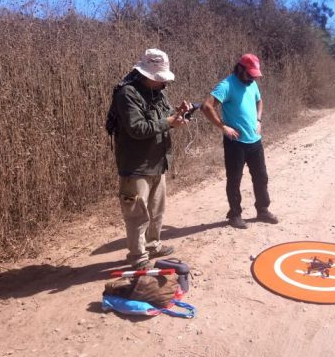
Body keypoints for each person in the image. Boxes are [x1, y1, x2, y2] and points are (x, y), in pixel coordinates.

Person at [109, 48, 189, 269]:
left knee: (156, 210)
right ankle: (137, 257)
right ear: (146, 75)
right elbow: (137, 128)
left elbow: (164, 117)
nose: (163, 83)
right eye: (159, 78)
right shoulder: (127, 93)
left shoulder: (158, 92)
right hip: (136, 166)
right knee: (137, 215)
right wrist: (169, 122)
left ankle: (153, 245)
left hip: (157, 162)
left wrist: (178, 115)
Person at [201, 53, 278, 229]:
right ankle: (235, 214)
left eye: (254, 74)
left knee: (261, 177)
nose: (252, 78)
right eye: (250, 74)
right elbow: (206, 106)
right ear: (240, 68)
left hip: (255, 141)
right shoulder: (227, 85)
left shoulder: (252, 84)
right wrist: (223, 127)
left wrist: (259, 120)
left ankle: (263, 210)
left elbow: (259, 101)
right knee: (234, 179)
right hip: (235, 143)